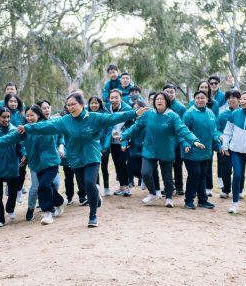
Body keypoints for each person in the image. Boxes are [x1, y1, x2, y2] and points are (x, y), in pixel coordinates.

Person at [17, 91, 148, 227]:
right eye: (68, 105)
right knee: (86, 187)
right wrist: (27, 127)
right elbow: (47, 126)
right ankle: (95, 196)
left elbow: (112, 118)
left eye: (73, 104)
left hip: (91, 156)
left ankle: (93, 216)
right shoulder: (65, 120)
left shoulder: (94, 117)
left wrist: (134, 113)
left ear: (81, 104)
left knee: (90, 183)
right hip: (74, 159)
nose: (70, 107)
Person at [0, 105, 65, 225]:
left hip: (51, 162)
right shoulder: (24, 130)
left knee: (44, 185)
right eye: (27, 116)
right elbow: (7, 139)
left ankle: (47, 213)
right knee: (48, 186)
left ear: (38, 115)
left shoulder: (47, 125)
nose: (29, 118)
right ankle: (59, 202)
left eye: (32, 115)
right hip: (37, 164)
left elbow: (58, 130)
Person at [121, 92, 204, 208]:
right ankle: (153, 193)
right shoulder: (148, 114)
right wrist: (124, 135)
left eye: (162, 99)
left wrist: (194, 140)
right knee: (145, 173)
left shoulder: (173, 116)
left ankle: (169, 197)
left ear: (167, 102)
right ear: (154, 102)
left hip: (166, 150)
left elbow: (182, 129)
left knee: (167, 178)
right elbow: (136, 126)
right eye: (157, 99)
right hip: (149, 149)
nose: (159, 101)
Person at [0, 107, 27, 228]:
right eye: (3, 117)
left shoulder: (15, 130)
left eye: (8, 117)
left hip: (13, 167)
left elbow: (21, 146)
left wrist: (24, 154)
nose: (6, 119)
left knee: (13, 193)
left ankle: (10, 208)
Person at [181, 91, 221, 209]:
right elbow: (182, 131)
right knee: (195, 174)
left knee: (203, 175)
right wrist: (185, 144)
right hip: (191, 151)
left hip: (206, 151)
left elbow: (214, 132)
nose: (200, 100)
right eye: (197, 98)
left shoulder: (210, 113)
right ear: (194, 99)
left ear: (207, 99)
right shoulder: (189, 114)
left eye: (202, 98)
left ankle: (203, 200)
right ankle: (189, 200)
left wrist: (218, 146)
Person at [222, 91, 246, 214]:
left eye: (245, 99)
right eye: (241, 99)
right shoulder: (234, 114)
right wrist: (225, 146)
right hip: (236, 152)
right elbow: (227, 131)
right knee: (237, 175)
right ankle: (234, 204)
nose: (242, 101)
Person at [216, 90, 244, 199]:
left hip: (240, 147)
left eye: (234, 97)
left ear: (239, 99)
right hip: (226, 147)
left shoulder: (244, 114)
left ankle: (239, 190)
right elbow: (216, 129)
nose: (231, 99)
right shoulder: (223, 115)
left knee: (239, 171)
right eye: (229, 98)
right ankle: (226, 189)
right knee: (225, 170)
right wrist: (220, 136)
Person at [106, 90, 133, 196]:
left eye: (116, 97)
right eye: (112, 98)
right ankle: (121, 186)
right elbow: (106, 123)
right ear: (109, 99)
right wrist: (112, 131)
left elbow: (131, 125)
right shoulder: (107, 109)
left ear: (121, 98)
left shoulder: (127, 109)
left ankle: (127, 186)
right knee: (117, 163)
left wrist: (124, 138)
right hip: (113, 141)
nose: (114, 100)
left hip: (124, 141)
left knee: (122, 162)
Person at [196, 80, 219, 196]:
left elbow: (216, 122)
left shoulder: (214, 104)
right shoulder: (193, 103)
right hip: (196, 140)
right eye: (202, 87)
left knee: (208, 165)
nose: (204, 88)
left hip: (209, 140)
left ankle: (208, 188)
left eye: (206, 87)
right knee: (196, 168)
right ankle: (198, 188)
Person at [163, 84, 186, 196]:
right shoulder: (160, 106)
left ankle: (179, 187)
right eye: (167, 91)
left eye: (171, 92)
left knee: (177, 166)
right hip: (164, 143)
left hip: (177, 143)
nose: (169, 94)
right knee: (166, 166)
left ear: (175, 93)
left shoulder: (181, 108)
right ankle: (168, 187)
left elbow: (183, 126)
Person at [87, 96, 112, 196]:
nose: (94, 105)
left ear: (100, 104)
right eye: (92, 103)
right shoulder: (86, 115)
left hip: (104, 145)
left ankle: (106, 187)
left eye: (96, 103)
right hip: (92, 146)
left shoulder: (106, 114)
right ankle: (96, 188)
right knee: (94, 168)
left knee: (104, 168)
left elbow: (109, 130)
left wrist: (105, 145)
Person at [4, 93, 26, 203]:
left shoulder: (22, 114)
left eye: (15, 102)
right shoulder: (5, 114)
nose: (13, 103)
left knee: (22, 168)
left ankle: (19, 190)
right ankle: (10, 186)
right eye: (11, 101)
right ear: (7, 103)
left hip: (22, 145)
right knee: (11, 167)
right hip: (10, 146)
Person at [126, 100, 148, 191]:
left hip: (145, 149)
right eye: (134, 108)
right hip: (133, 148)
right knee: (134, 169)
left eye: (139, 108)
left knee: (145, 168)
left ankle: (145, 180)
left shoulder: (147, 120)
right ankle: (141, 177)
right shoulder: (130, 120)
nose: (137, 110)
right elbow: (126, 132)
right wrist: (125, 142)